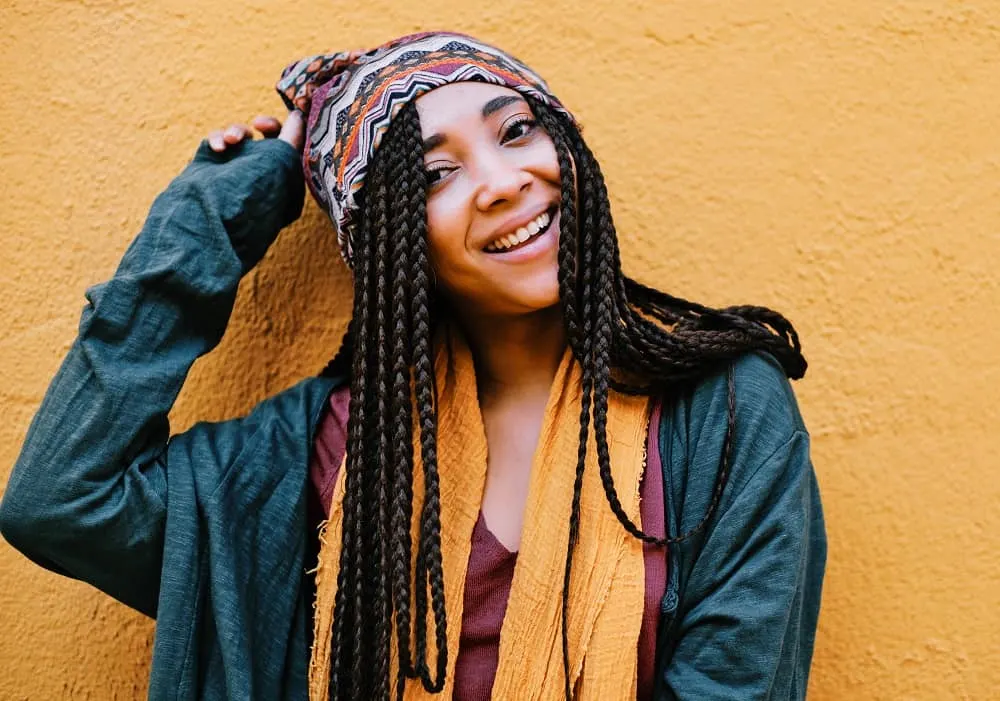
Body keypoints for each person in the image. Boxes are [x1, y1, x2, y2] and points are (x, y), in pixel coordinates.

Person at [0, 31, 826, 701]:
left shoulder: (720, 411)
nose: (504, 181)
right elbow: (61, 500)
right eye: (436, 174)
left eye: (516, 130)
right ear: (389, 242)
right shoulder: (321, 453)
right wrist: (226, 207)